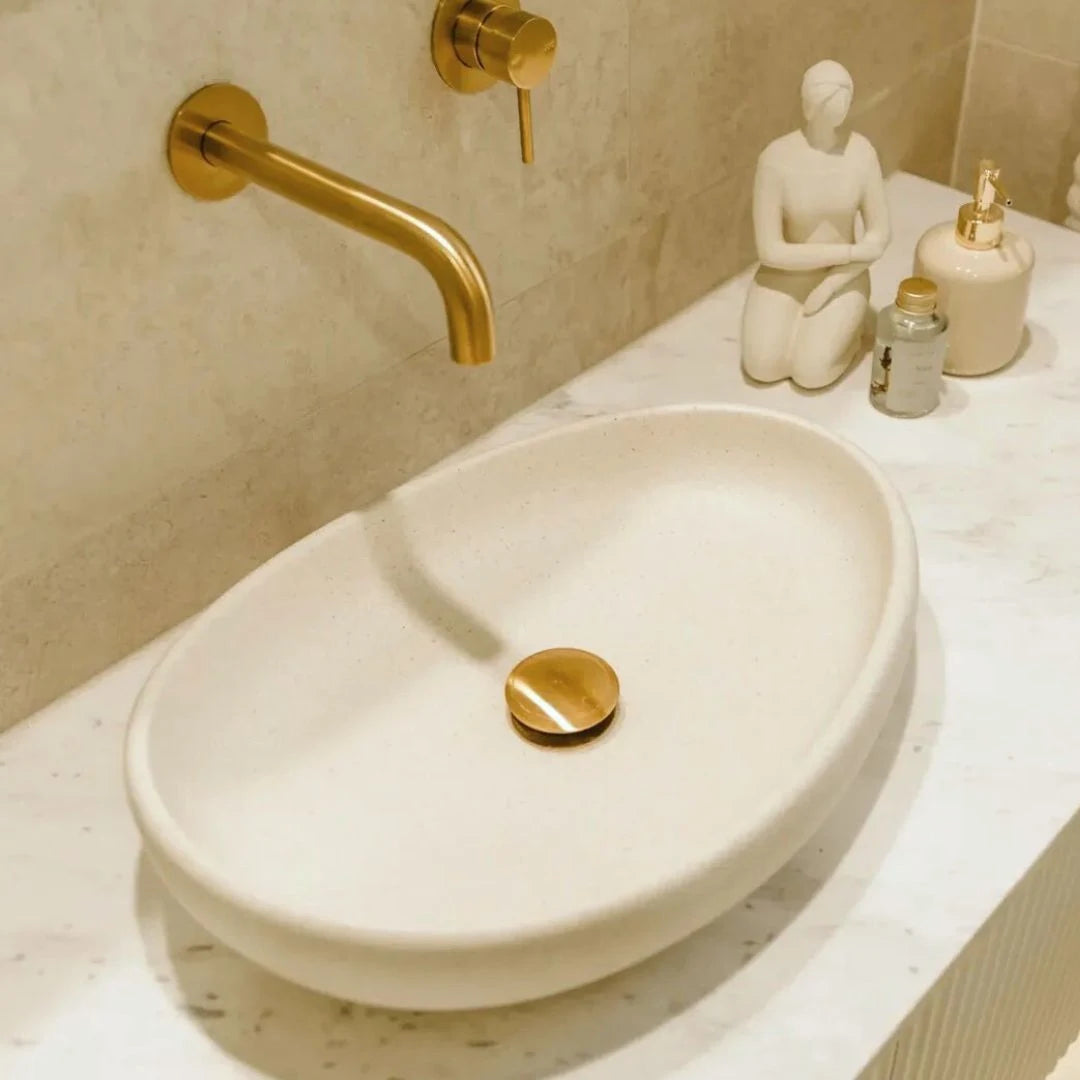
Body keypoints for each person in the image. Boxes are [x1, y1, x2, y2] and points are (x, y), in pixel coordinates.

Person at [741, 60, 890, 389]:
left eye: (839, 107)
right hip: (782, 277)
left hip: (843, 277)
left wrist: (833, 283)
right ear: (807, 106)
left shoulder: (860, 153)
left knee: (812, 373)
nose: (830, 116)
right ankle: (833, 323)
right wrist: (849, 251)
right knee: (762, 366)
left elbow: (879, 235)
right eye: (823, 107)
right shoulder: (776, 159)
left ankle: (850, 330)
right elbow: (770, 251)